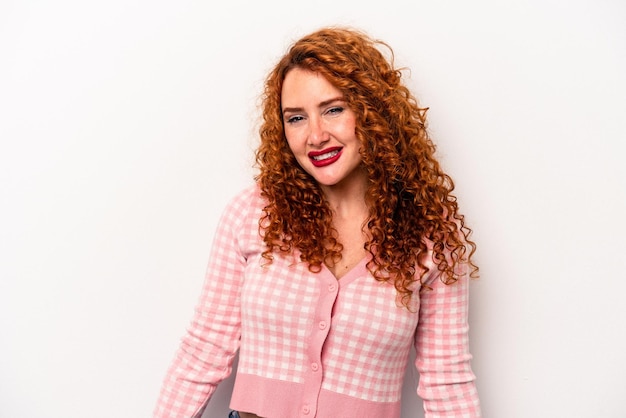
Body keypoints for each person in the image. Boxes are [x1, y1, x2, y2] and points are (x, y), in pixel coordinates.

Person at [154, 26, 481, 418]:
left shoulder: (431, 235)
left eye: (334, 109)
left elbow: (447, 379)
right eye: (296, 118)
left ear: (372, 109)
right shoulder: (254, 214)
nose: (315, 136)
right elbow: (204, 348)